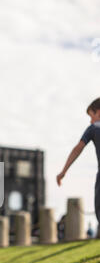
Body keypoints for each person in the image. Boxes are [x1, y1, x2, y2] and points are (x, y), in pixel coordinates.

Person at [57, 98, 100, 229]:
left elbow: (77, 149)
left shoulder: (94, 128)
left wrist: (63, 172)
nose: (90, 120)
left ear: (98, 112)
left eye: (91, 116)